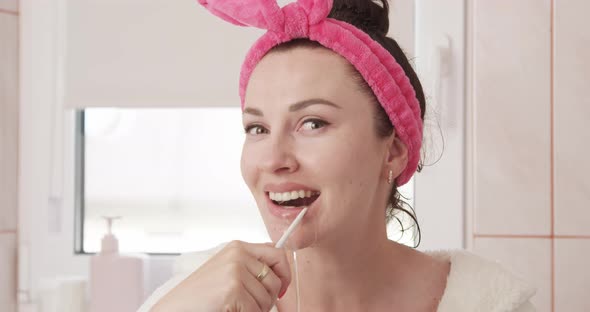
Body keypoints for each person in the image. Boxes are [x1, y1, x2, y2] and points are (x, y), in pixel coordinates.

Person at [139, 0, 536, 311]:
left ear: (393, 153)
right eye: (257, 128)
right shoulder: (198, 299)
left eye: (312, 123)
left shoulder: (487, 303)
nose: (274, 158)